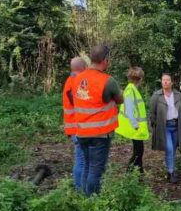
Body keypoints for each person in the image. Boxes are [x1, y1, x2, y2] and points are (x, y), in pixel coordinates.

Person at [73, 45, 123, 196]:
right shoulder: (108, 81)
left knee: (87, 166)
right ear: (105, 61)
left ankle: (83, 197)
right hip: (99, 134)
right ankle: (92, 202)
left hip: (81, 132)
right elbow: (120, 99)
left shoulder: (78, 78)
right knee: (96, 170)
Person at [149, 73, 181, 183]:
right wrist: (154, 127)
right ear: (161, 82)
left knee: (173, 150)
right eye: (163, 80)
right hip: (164, 127)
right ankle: (171, 173)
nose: (165, 82)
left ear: (171, 82)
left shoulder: (178, 95)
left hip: (176, 125)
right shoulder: (156, 96)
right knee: (169, 148)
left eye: (167, 80)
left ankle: (170, 168)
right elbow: (152, 113)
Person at [115, 66, 149, 174]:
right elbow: (130, 110)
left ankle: (140, 174)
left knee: (139, 151)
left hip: (135, 127)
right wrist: (135, 125)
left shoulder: (132, 89)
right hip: (134, 128)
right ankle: (129, 174)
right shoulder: (130, 90)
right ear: (140, 79)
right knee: (138, 152)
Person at [62, 57, 87, 190]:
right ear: (83, 67)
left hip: (75, 127)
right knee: (81, 161)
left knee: (81, 160)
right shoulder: (75, 83)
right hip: (78, 128)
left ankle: (80, 188)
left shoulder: (70, 81)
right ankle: (79, 189)